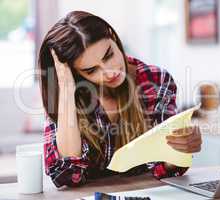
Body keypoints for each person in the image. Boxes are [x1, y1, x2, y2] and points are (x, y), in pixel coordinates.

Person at [38, 11, 202, 188]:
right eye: (91, 70)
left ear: (113, 36)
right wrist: (67, 91)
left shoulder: (156, 80)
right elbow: (68, 176)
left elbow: (165, 167)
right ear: (74, 73)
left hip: (144, 193)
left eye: (108, 55)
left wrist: (179, 151)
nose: (110, 72)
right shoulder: (66, 95)